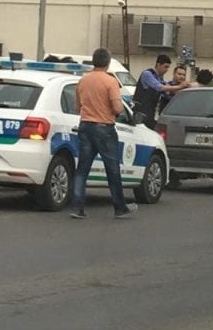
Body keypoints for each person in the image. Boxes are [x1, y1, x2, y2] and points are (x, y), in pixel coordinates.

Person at [68, 48, 137, 220]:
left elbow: (78, 107)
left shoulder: (83, 81)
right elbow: (117, 107)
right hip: (104, 128)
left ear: (93, 61)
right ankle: (120, 207)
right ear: (107, 62)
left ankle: (77, 207)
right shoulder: (110, 81)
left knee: (82, 168)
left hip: (85, 126)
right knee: (112, 169)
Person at [133, 53, 190, 129]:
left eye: (168, 68)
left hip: (151, 113)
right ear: (158, 64)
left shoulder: (160, 78)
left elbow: (166, 92)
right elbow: (159, 87)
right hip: (141, 112)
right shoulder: (147, 74)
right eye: (165, 67)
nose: (166, 70)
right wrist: (179, 86)